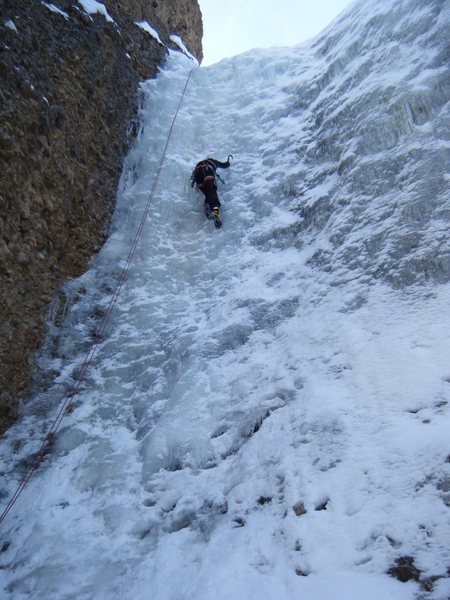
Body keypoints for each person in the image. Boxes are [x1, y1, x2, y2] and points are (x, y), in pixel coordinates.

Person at [191, 155, 233, 229]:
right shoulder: (212, 161)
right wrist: (228, 163)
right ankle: (214, 213)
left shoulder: (200, 164)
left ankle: (209, 208)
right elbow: (223, 165)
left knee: (208, 193)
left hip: (198, 176)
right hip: (207, 172)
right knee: (212, 193)